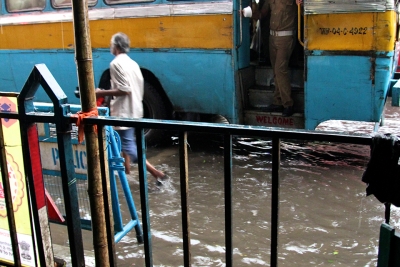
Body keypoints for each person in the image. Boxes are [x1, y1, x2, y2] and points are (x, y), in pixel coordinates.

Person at [95, 32, 168, 184]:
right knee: (125, 144)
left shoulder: (115, 64)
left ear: (115, 46)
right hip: (135, 111)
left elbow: (124, 89)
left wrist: (101, 92)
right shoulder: (133, 64)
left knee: (130, 149)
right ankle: (126, 171)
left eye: (111, 44)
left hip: (123, 113)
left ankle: (157, 173)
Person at [245, 0, 301, 117]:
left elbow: (304, 8)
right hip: (272, 38)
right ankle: (278, 101)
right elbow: (261, 14)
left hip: (286, 38)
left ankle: (288, 103)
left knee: (280, 70)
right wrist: (248, 13)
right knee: (276, 70)